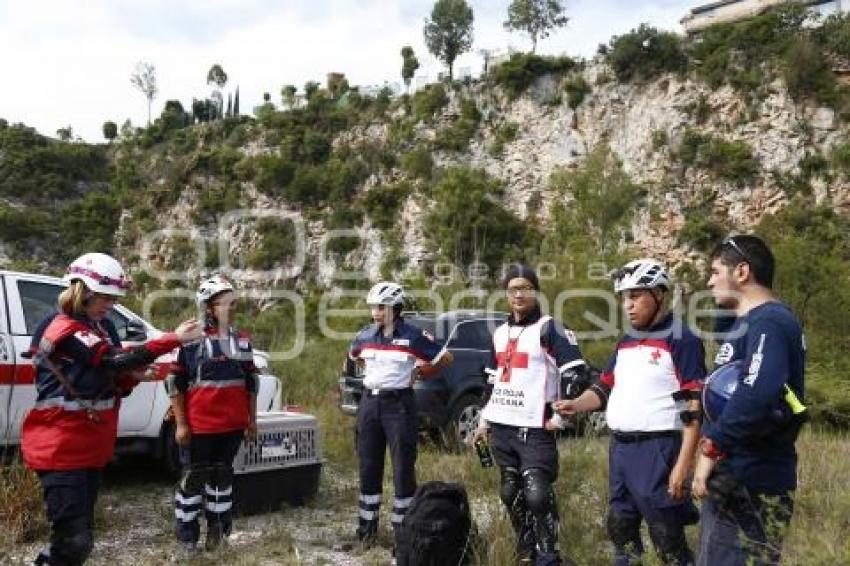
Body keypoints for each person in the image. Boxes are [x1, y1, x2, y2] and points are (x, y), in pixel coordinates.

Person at [22, 252, 201, 566]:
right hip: (60, 446)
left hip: (88, 445)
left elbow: (108, 375)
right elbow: (113, 361)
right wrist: (173, 339)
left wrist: (129, 377)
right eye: (105, 297)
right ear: (84, 291)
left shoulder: (100, 326)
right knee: (73, 541)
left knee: (80, 540)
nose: (111, 305)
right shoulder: (64, 327)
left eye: (114, 298)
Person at [555, 259, 705, 566]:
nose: (628, 305)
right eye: (624, 297)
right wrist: (574, 405)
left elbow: (695, 404)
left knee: (667, 537)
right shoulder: (626, 341)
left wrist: (684, 465)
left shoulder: (682, 339)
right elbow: (603, 389)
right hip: (620, 449)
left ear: (659, 294)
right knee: (620, 528)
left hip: (659, 449)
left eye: (636, 296)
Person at [692, 235, 806, 566]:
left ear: (742, 272)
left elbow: (755, 394)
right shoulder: (746, 323)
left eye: (715, 271)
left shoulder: (770, 321)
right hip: (735, 478)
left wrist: (711, 448)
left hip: (751, 481)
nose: (709, 281)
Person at [472, 264, 589, 566]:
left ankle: (549, 554)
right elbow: (491, 380)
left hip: (535, 428)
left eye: (525, 287)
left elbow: (575, 374)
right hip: (502, 427)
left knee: (537, 494)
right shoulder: (499, 333)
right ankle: (526, 548)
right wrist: (483, 422)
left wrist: (560, 418)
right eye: (512, 289)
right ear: (506, 294)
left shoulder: (550, 328)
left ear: (535, 292)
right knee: (510, 492)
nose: (518, 294)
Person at [348, 281, 454, 548]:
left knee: (402, 469)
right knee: (368, 465)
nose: (376, 313)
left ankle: (403, 535)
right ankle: (366, 530)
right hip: (370, 404)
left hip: (399, 405)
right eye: (374, 308)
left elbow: (445, 358)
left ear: (396, 308)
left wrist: (419, 373)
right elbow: (355, 356)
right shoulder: (365, 334)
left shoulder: (414, 335)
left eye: (382, 308)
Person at [166, 274, 259, 553]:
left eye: (233, 303)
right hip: (198, 428)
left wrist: (251, 420)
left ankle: (218, 535)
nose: (230, 309)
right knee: (193, 482)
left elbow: (251, 382)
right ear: (208, 307)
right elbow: (175, 383)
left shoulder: (241, 340)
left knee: (222, 480)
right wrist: (181, 424)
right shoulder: (190, 339)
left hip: (230, 427)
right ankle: (186, 540)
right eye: (223, 304)